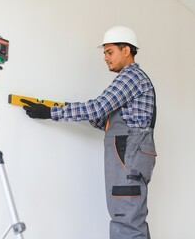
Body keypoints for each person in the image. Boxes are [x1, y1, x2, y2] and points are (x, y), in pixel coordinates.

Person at [20, 25, 157, 239]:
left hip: (128, 156)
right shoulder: (131, 81)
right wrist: (67, 109)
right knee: (128, 217)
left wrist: (51, 112)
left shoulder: (131, 77)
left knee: (126, 220)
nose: (105, 58)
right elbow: (101, 119)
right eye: (104, 53)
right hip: (129, 156)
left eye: (109, 52)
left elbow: (97, 108)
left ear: (126, 51)